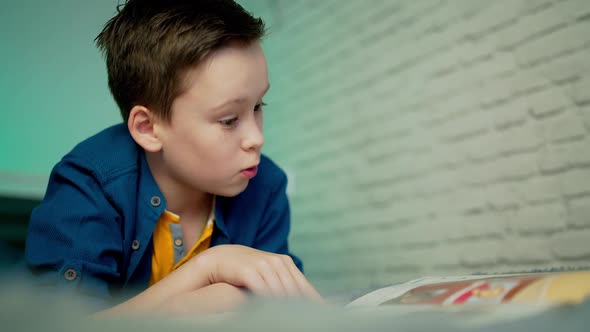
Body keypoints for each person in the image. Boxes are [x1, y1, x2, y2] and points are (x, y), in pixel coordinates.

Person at [24, 0, 321, 316]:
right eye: (229, 119)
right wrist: (207, 268)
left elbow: (279, 311)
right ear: (149, 128)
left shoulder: (265, 186)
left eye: (258, 106)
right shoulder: (89, 184)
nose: (257, 139)